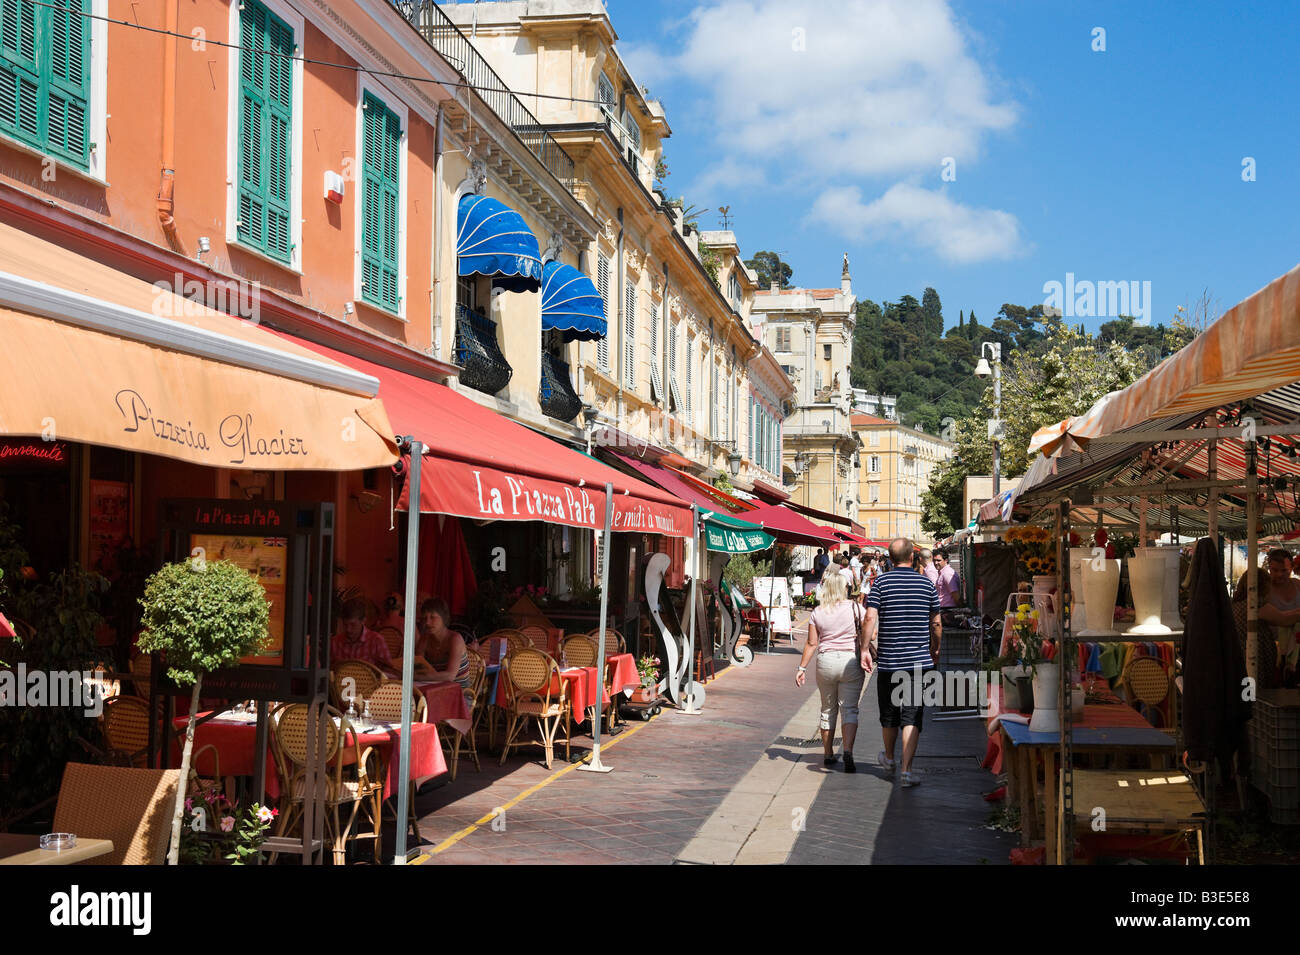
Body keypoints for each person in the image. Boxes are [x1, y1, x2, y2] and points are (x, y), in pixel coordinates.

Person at [863, 537, 941, 788]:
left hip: (888, 662)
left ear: (890, 557)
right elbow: (937, 623)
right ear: (913, 557)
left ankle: (888, 757)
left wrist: (864, 648)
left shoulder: (881, 583)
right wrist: (935, 648)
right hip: (918, 662)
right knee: (912, 715)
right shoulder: (927, 584)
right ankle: (907, 770)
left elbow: (869, 618)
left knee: (889, 715)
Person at [795, 571, 869, 772]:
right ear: (844, 589)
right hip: (850, 661)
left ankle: (827, 754)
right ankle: (848, 751)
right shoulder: (856, 608)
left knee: (827, 709)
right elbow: (870, 630)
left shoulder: (818, 612)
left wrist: (802, 668)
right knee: (850, 709)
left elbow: (812, 643)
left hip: (825, 661)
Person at [416, 596, 473, 705]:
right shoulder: (424, 639)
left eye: (433, 617)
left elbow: (449, 676)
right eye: (424, 618)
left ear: (444, 618)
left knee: (420, 705)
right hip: (432, 691)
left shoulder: (455, 639)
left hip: (460, 695)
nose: (427, 622)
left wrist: (417, 677)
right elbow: (418, 667)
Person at [332, 598, 393, 671]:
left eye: (353, 625)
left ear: (363, 621)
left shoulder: (376, 640)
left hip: (368, 682)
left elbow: (389, 671)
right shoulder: (335, 642)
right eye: (345, 625)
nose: (348, 629)